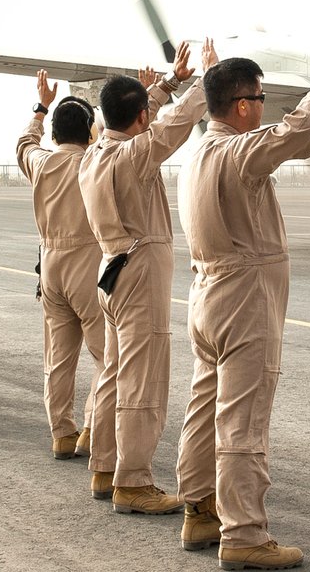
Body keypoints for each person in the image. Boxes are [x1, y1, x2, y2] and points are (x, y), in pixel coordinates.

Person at [175, 49, 310, 569]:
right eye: (260, 98)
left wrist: (210, 74)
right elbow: (299, 130)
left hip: (206, 293)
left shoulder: (197, 154)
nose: (264, 107)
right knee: (243, 419)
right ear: (242, 106)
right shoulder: (239, 152)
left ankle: (200, 509)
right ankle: (243, 535)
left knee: (205, 405)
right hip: (244, 297)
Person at [79, 42, 207, 516]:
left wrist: (165, 84)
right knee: (142, 379)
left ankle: (105, 466)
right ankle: (132, 482)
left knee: (114, 373)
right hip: (138, 272)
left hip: (111, 269)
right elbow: (173, 125)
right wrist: (202, 82)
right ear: (138, 119)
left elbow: (148, 120)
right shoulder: (133, 156)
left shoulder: (95, 154)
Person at [16, 72, 107, 463]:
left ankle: (62, 433)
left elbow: (23, 143)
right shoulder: (95, 161)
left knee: (58, 358)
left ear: (54, 135)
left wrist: (41, 106)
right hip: (88, 261)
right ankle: (92, 427)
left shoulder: (41, 162)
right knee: (107, 356)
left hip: (50, 265)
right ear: (90, 133)